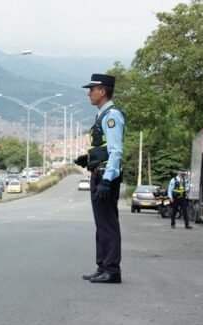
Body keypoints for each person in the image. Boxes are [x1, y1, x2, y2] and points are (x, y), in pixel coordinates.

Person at [74, 73, 125, 284]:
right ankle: (103, 266)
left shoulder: (112, 116)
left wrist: (106, 180)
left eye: (92, 89)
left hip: (106, 177)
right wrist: (90, 159)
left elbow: (116, 151)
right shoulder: (103, 115)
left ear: (102, 91)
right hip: (100, 173)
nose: (89, 93)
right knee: (101, 225)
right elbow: (104, 148)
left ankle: (112, 270)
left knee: (108, 225)